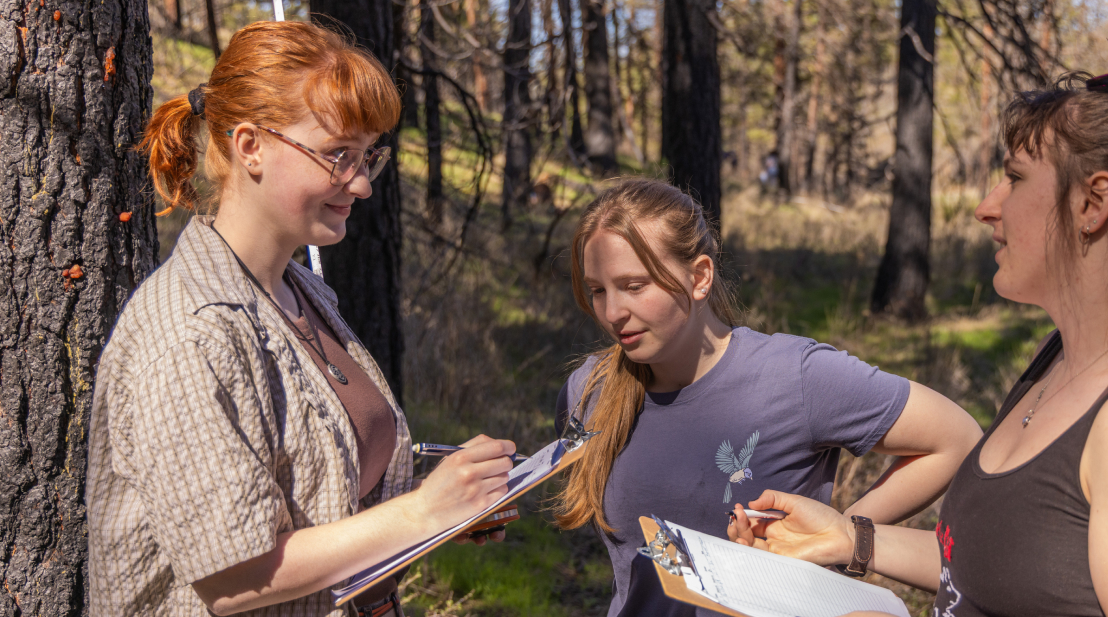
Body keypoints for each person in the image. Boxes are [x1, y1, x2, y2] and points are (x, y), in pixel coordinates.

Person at [728, 69, 1108, 617]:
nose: (987, 206)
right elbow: (1001, 568)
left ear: (1093, 202)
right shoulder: (1063, 356)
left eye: (1014, 178)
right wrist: (850, 539)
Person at [87, 22, 515, 617]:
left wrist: (438, 511)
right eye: (338, 154)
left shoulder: (301, 291)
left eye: (368, 156)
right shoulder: (189, 332)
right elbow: (236, 578)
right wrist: (421, 513)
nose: (362, 183)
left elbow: (323, 504)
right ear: (250, 146)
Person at [552, 178, 983, 617]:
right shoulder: (590, 391)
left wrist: (843, 536)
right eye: (598, 290)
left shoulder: (795, 375)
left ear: (699, 277)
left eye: (634, 286)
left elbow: (957, 438)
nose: (611, 313)